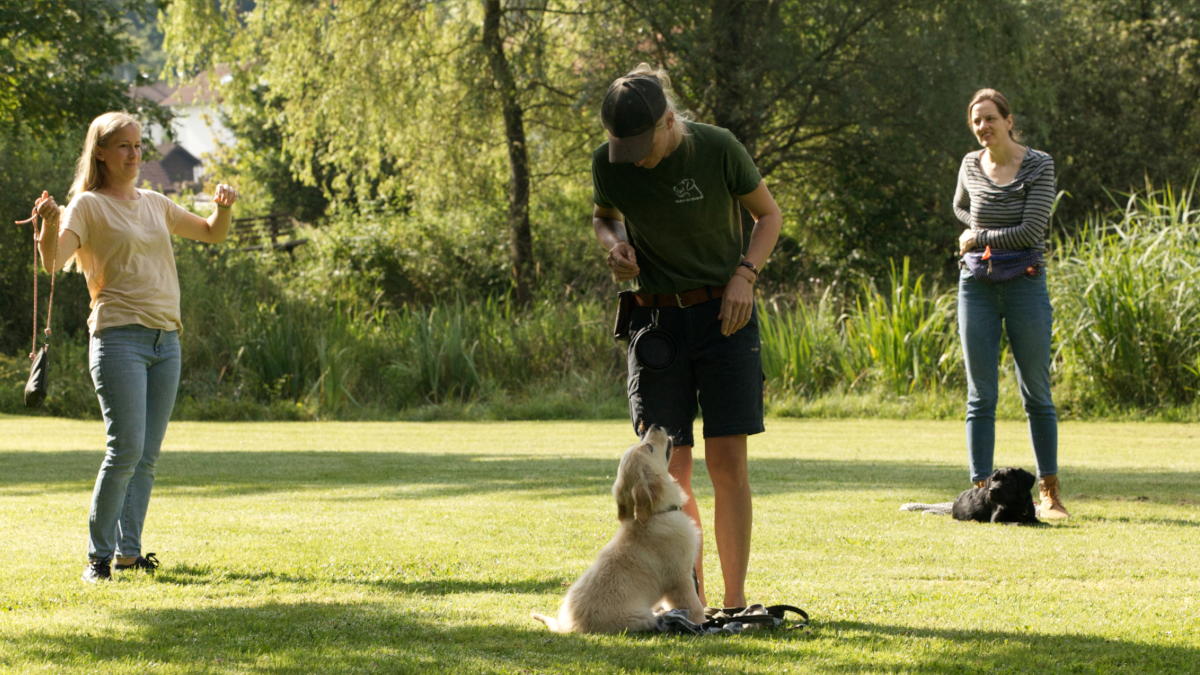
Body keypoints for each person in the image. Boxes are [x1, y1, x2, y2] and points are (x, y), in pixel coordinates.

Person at [591, 63, 782, 606]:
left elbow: (768, 216)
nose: (635, 159)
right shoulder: (610, 162)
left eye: (642, 146)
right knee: (670, 468)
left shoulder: (718, 148)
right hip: (656, 325)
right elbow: (605, 217)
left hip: (726, 316)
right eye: (624, 148)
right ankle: (688, 604)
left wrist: (745, 275)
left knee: (728, 464)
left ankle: (734, 603)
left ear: (669, 122)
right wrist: (615, 245)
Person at [32, 112, 240, 582]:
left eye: (138, 145)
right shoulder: (87, 206)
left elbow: (213, 232)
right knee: (124, 449)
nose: (134, 154)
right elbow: (52, 262)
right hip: (118, 338)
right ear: (101, 153)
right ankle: (97, 559)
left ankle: (129, 554)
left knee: (145, 456)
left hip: (166, 341)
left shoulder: (155, 203)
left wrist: (223, 207)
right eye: (124, 146)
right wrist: (49, 222)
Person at [953, 89, 1068, 520]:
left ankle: (1049, 493)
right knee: (980, 396)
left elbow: (1031, 230)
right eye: (976, 121)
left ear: (1008, 120)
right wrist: (973, 226)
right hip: (976, 286)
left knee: (1036, 392)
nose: (983, 126)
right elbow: (959, 206)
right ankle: (981, 495)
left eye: (989, 118)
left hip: (1025, 283)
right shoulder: (970, 164)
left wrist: (978, 236)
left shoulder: (1039, 164)